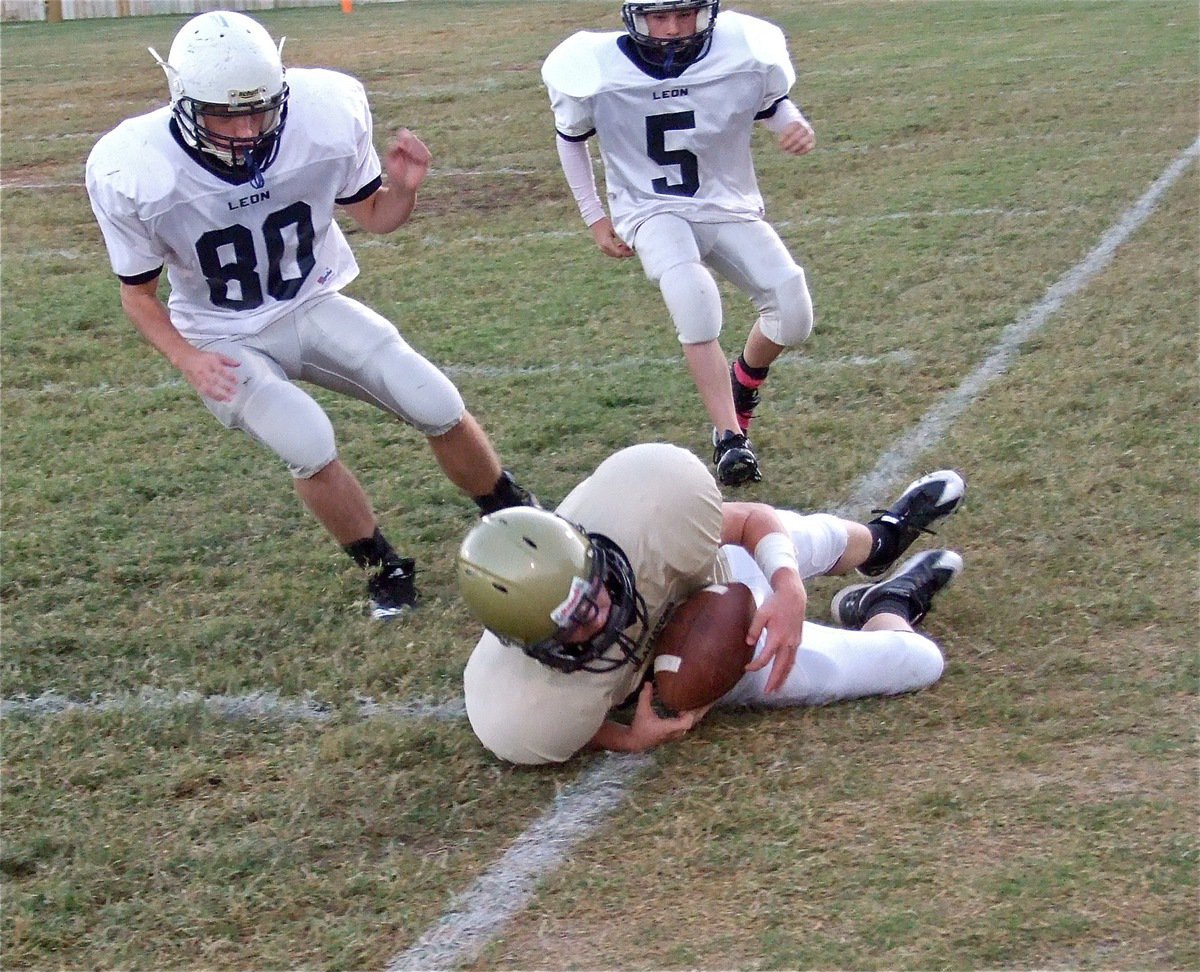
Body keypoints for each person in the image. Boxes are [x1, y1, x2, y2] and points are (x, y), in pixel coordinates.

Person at [85, 11, 537, 621]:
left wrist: (401, 191)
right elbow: (137, 295)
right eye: (226, 114)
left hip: (314, 300)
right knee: (307, 439)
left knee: (434, 400)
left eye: (260, 110)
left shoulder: (325, 112)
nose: (247, 129)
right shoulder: (133, 166)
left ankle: (510, 508)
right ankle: (382, 565)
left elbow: (375, 216)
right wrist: (186, 358)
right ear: (184, 103)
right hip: (222, 335)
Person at [457, 442, 966, 764]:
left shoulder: (649, 512)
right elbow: (563, 730)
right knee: (918, 663)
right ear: (533, 648)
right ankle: (887, 606)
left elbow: (748, 523)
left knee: (805, 538)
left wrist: (787, 587)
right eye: (572, 625)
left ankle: (879, 541)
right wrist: (629, 739)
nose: (603, 617)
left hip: (703, 573)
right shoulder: (519, 707)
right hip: (707, 649)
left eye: (594, 592)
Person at [541, 2, 818, 487]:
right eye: (660, 17)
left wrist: (791, 124)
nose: (672, 29)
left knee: (792, 309)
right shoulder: (593, 66)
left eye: (685, 14)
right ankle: (730, 438)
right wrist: (593, 215)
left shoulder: (745, 48)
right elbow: (571, 137)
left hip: (723, 202)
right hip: (650, 207)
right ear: (636, 16)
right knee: (691, 293)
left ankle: (744, 382)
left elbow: (770, 105)